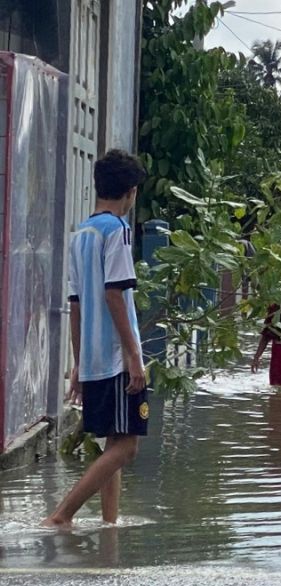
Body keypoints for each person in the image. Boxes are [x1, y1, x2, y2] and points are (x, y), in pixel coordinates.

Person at [42, 149, 148, 528]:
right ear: (131, 192)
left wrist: (78, 362)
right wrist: (134, 358)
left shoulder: (80, 234)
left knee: (113, 443)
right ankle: (62, 514)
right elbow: (113, 294)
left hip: (93, 357)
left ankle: (109, 525)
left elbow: (76, 304)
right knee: (128, 446)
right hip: (117, 357)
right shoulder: (117, 231)